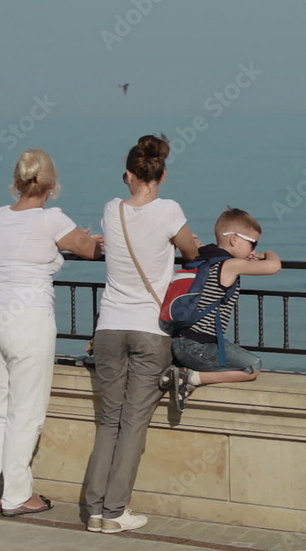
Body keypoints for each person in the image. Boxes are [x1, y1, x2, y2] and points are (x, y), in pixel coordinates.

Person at [0, 149, 103, 517]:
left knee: (3, 409)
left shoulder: (0, 216)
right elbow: (91, 250)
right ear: (52, 185)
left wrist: (63, 242)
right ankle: (16, 496)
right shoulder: (53, 218)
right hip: (28, 319)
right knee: (27, 412)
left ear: (17, 182)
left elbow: (28, 245)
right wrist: (89, 240)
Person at [83, 135, 200, 534]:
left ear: (128, 176)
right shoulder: (170, 210)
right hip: (150, 329)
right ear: (162, 175)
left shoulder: (110, 210)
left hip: (109, 328)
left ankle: (95, 510)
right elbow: (191, 253)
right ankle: (116, 512)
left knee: (108, 422)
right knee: (134, 423)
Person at [160, 208, 282, 411]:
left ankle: (185, 373)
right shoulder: (231, 265)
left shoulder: (204, 259)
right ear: (234, 239)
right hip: (198, 347)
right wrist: (266, 254)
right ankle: (190, 377)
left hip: (181, 341)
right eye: (252, 243)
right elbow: (274, 266)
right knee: (252, 367)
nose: (252, 250)